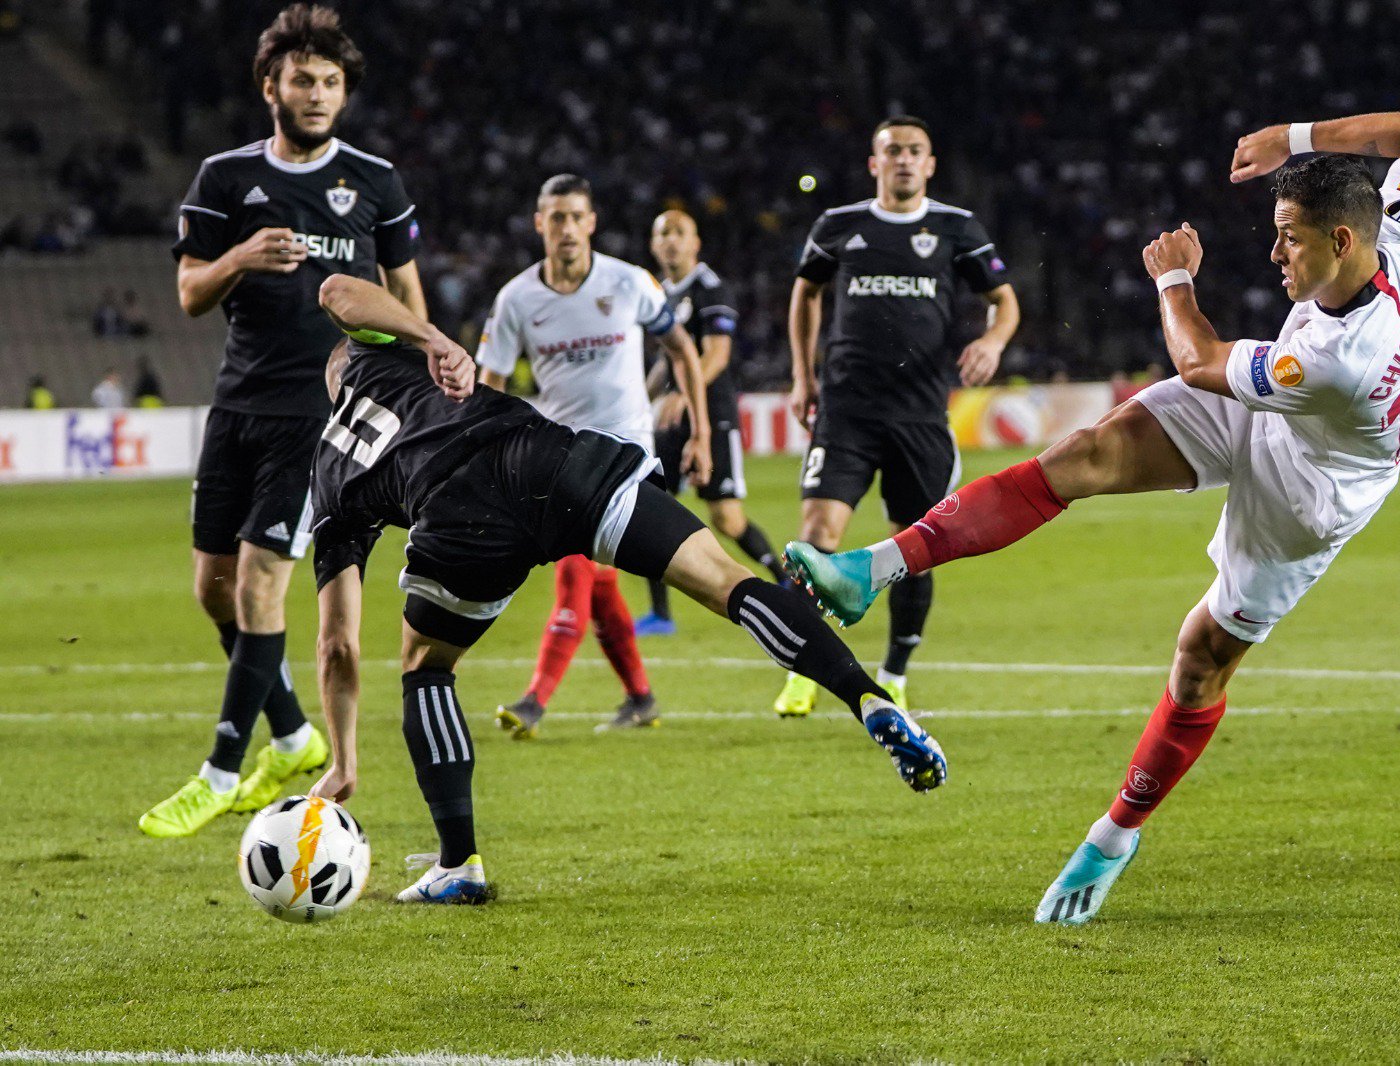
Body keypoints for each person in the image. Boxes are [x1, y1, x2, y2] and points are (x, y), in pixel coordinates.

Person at [787, 111, 1400, 925]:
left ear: (1343, 242)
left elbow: (1200, 361)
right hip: (1274, 411)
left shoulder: (1338, 359)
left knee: (1199, 661)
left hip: (1311, 493)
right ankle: (869, 570)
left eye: (1290, 239)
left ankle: (1114, 833)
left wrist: (1174, 282)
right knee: (1087, 453)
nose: (1275, 253)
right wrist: (1295, 139)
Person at [308, 274, 947, 902]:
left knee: (426, 667)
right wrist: (429, 336)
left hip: (458, 517)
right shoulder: (384, 346)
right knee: (729, 580)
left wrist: (343, 759)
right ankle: (867, 697)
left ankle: (458, 863)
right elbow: (337, 288)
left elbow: (337, 644)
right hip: (543, 457)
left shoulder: (327, 479)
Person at [140, 3, 426, 838]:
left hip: (319, 416)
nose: (317, 94)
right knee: (214, 592)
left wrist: (417, 380)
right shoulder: (224, 179)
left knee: (264, 582)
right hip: (237, 408)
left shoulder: (375, 181)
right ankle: (295, 734)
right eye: (303, 79)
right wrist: (240, 255)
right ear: (271, 85)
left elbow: (406, 297)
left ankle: (220, 773)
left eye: (331, 83)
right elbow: (191, 294)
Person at [776, 115, 1020, 717]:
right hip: (846, 411)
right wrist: (804, 375)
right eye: (893, 151)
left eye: (915, 151)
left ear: (930, 164)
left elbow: (1004, 302)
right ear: (874, 163)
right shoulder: (840, 226)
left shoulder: (956, 229)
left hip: (919, 417)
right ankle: (806, 671)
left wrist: (993, 342)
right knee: (816, 540)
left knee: (913, 549)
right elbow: (806, 292)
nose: (904, 160)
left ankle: (895, 674)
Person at [476, 176, 708, 735]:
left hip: (629, 458)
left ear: (591, 222)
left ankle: (535, 700)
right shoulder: (517, 300)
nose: (566, 228)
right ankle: (641, 697)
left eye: (575, 216)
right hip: (561, 460)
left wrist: (700, 429)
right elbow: (491, 382)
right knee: (600, 584)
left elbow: (682, 348)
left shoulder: (629, 283)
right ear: (540, 224)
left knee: (576, 575)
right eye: (555, 217)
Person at [634, 209, 788, 636]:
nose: (670, 240)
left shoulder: (711, 288)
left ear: (695, 242)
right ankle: (661, 614)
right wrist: (640, 401)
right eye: (662, 232)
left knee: (727, 518)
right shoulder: (658, 293)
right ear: (653, 244)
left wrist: (685, 396)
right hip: (671, 416)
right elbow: (668, 362)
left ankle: (787, 582)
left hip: (712, 413)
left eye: (679, 232)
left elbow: (716, 356)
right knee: (648, 505)